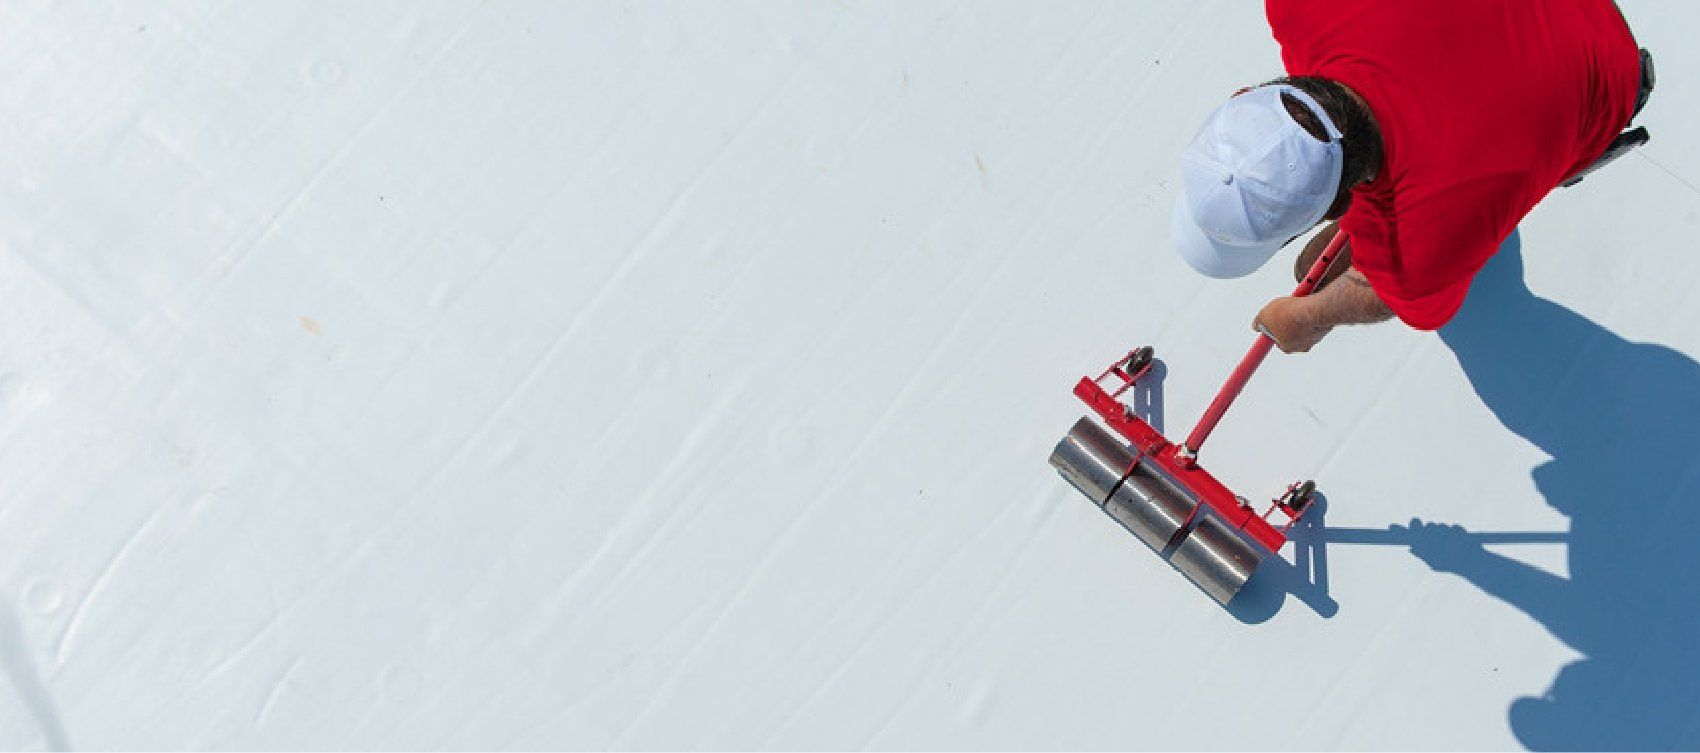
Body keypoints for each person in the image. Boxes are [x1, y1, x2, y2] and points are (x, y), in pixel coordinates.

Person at [1169, 0, 1653, 353]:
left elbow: (1386, 297)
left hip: (1610, 65)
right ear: (1245, 93)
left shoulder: (1418, 252)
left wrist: (1309, 317)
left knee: (1315, 274)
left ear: (1340, 208)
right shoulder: (1298, 9)